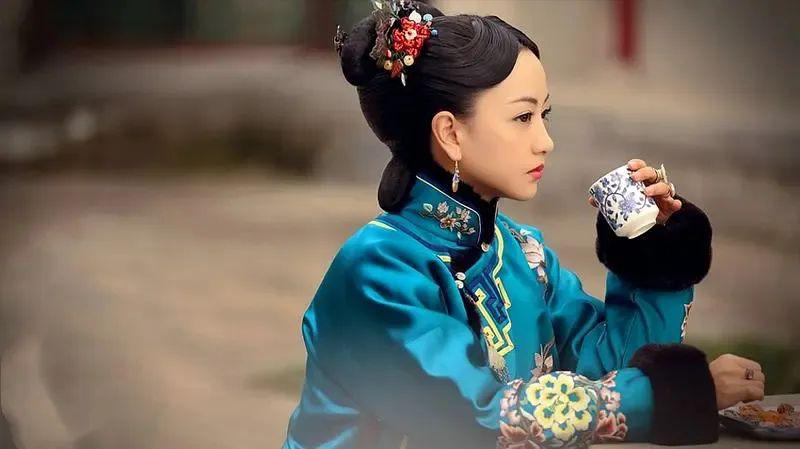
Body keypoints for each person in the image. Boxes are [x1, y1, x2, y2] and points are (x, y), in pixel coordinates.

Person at [282, 2, 765, 448]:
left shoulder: (520, 251)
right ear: (450, 133)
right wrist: (674, 393)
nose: (545, 141)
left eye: (544, 114)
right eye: (523, 117)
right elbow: (481, 418)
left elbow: (608, 367)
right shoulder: (377, 272)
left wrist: (652, 253)